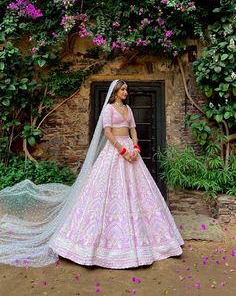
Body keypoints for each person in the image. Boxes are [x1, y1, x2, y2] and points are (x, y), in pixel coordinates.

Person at [0, 80, 184, 268]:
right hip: (115, 151)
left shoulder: (128, 110)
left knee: (140, 192)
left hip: (131, 151)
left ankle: (153, 241)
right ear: (115, 92)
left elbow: (133, 131)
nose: (126, 92)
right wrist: (123, 151)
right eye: (123, 89)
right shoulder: (109, 110)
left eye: (126, 89)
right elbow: (109, 134)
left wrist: (135, 149)